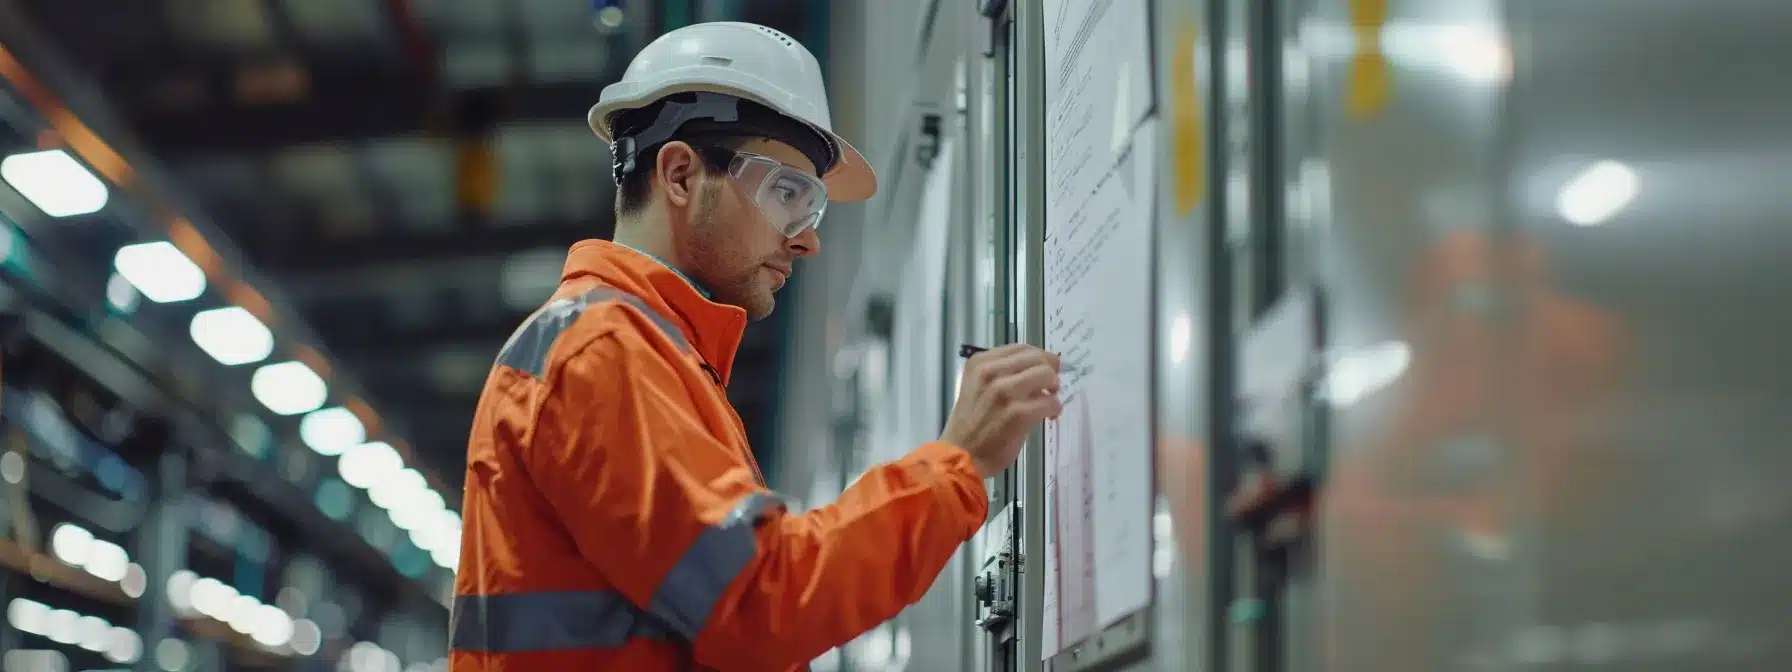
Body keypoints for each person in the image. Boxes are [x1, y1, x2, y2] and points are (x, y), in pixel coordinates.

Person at [449, 21, 1062, 671]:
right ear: (681, 175)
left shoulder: (647, 354)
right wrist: (957, 464)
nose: (806, 239)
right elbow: (761, 604)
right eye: (786, 194)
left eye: (811, 207)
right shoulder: (604, 354)